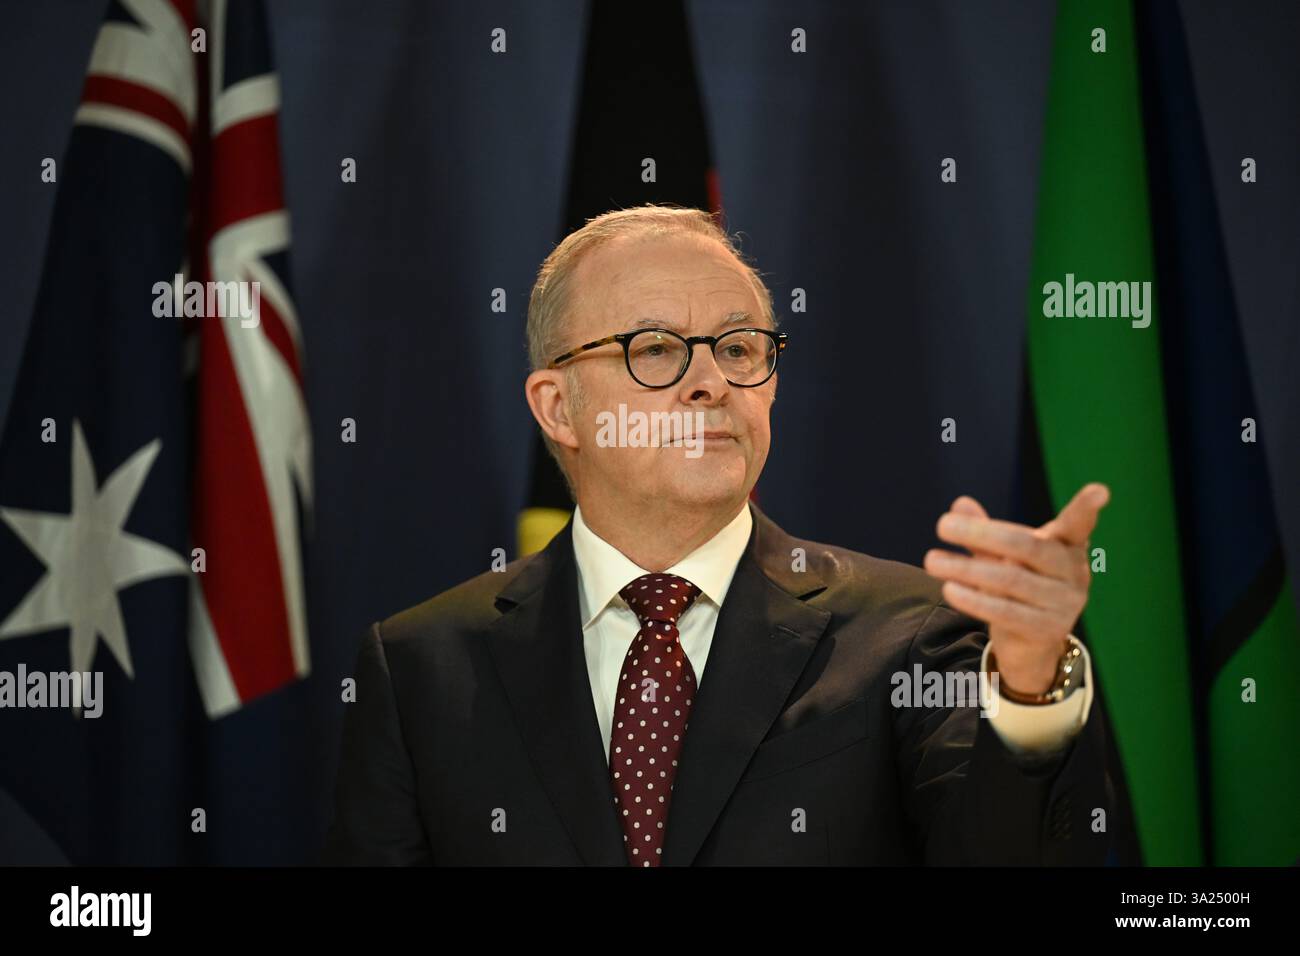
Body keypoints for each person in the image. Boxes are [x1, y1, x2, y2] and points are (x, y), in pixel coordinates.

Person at [323, 205, 1114, 865]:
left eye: (739, 349)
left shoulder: (912, 632)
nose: (712, 382)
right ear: (559, 408)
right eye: (656, 349)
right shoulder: (421, 666)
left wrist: (1031, 679)